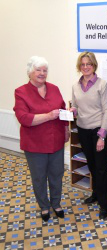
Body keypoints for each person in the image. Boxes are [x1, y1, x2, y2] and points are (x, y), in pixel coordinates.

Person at [14, 56, 70, 222]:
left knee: (56, 174)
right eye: (38, 70)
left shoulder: (54, 88)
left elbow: (61, 110)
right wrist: (47, 116)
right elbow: (24, 118)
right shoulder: (21, 92)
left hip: (57, 141)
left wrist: (66, 128)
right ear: (30, 72)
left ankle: (56, 203)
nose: (42, 73)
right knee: (39, 177)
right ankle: (44, 207)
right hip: (34, 144)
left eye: (45, 70)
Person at [70, 51, 107, 219]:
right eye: (82, 64)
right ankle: (96, 194)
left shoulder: (102, 85)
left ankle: (105, 204)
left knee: (101, 169)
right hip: (82, 129)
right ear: (79, 66)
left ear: (94, 65)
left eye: (88, 64)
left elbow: (106, 111)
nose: (85, 67)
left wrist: (102, 136)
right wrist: (72, 110)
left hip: (97, 131)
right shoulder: (75, 86)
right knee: (92, 165)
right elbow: (75, 106)